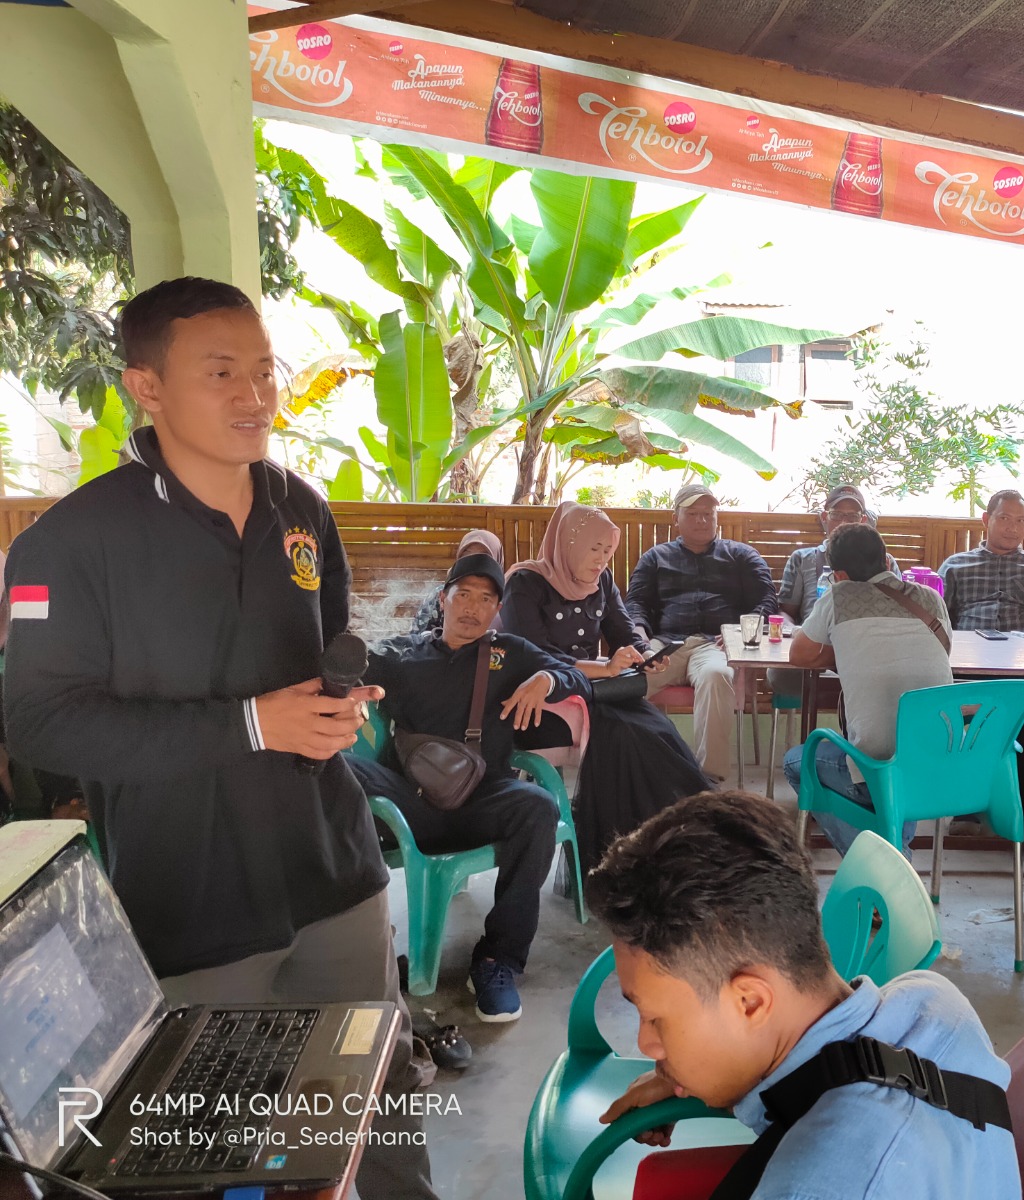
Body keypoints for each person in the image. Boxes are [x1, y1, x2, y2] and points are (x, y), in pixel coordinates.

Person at [1, 277, 436, 1198]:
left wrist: (337, 709)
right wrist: (249, 723)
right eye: (223, 372)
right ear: (147, 387)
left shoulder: (300, 508)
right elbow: (39, 720)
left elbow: (319, 654)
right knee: (225, 1150)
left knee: (377, 1104)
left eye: (266, 370)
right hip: (193, 898)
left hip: (335, 867)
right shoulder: (68, 545)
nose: (256, 395)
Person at [590, 792, 1022, 1200]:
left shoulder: (813, 1188)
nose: (646, 1044)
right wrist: (701, 1076)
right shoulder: (933, 1003)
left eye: (655, 1019)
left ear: (750, 1002)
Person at [345, 553, 589, 1022]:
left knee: (538, 807)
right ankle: (365, 942)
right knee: (336, 768)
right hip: (409, 805)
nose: (473, 608)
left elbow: (576, 677)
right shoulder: (403, 653)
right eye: (464, 595)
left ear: (497, 609)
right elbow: (348, 669)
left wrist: (546, 679)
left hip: (482, 800)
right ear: (444, 599)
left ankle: (498, 959)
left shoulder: (509, 653)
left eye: (486, 599)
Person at [500, 501, 713, 871]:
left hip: (594, 688)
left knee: (657, 728)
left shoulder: (601, 582)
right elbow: (534, 655)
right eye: (594, 549)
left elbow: (623, 630)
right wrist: (602, 668)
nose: (601, 560)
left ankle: (677, 840)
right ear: (570, 544)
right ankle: (619, 860)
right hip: (541, 697)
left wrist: (646, 653)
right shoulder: (525, 584)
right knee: (624, 735)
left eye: (607, 551)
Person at [782, 524, 952, 855]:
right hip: (938, 766)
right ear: (886, 562)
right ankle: (893, 847)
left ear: (839, 575)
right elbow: (942, 653)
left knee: (796, 762)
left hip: (877, 771)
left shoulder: (838, 597)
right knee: (898, 762)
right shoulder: (931, 598)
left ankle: (882, 860)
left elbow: (799, 655)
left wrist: (847, 650)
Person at [625, 482, 778, 781]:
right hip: (665, 644)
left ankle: (708, 780)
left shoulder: (742, 555)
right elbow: (636, 602)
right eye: (693, 513)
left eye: (708, 514)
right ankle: (642, 773)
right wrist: (640, 637)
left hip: (715, 645)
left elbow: (766, 599)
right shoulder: (655, 557)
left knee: (717, 675)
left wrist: (740, 631)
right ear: (676, 518)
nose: (702, 520)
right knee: (626, 684)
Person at [937, 489, 1024, 823]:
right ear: (986, 520)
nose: (1012, 527)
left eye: (1021, 520)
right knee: (965, 710)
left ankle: (1016, 808)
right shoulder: (955, 566)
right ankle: (965, 808)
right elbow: (939, 621)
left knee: (1023, 700)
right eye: (1004, 518)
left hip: (1023, 665)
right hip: (968, 665)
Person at [771, 484, 901, 697]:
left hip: (872, 648)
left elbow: (898, 609)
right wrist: (794, 632)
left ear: (863, 520)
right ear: (824, 517)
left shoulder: (883, 561)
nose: (843, 522)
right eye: (836, 515)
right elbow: (786, 611)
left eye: (852, 516)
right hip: (815, 646)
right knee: (781, 675)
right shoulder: (802, 559)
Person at [412, 528, 503, 634]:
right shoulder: (443, 594)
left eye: (483, 556)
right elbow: (418, 638)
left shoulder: (508, 599)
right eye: (467, 554)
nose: (473, 560)